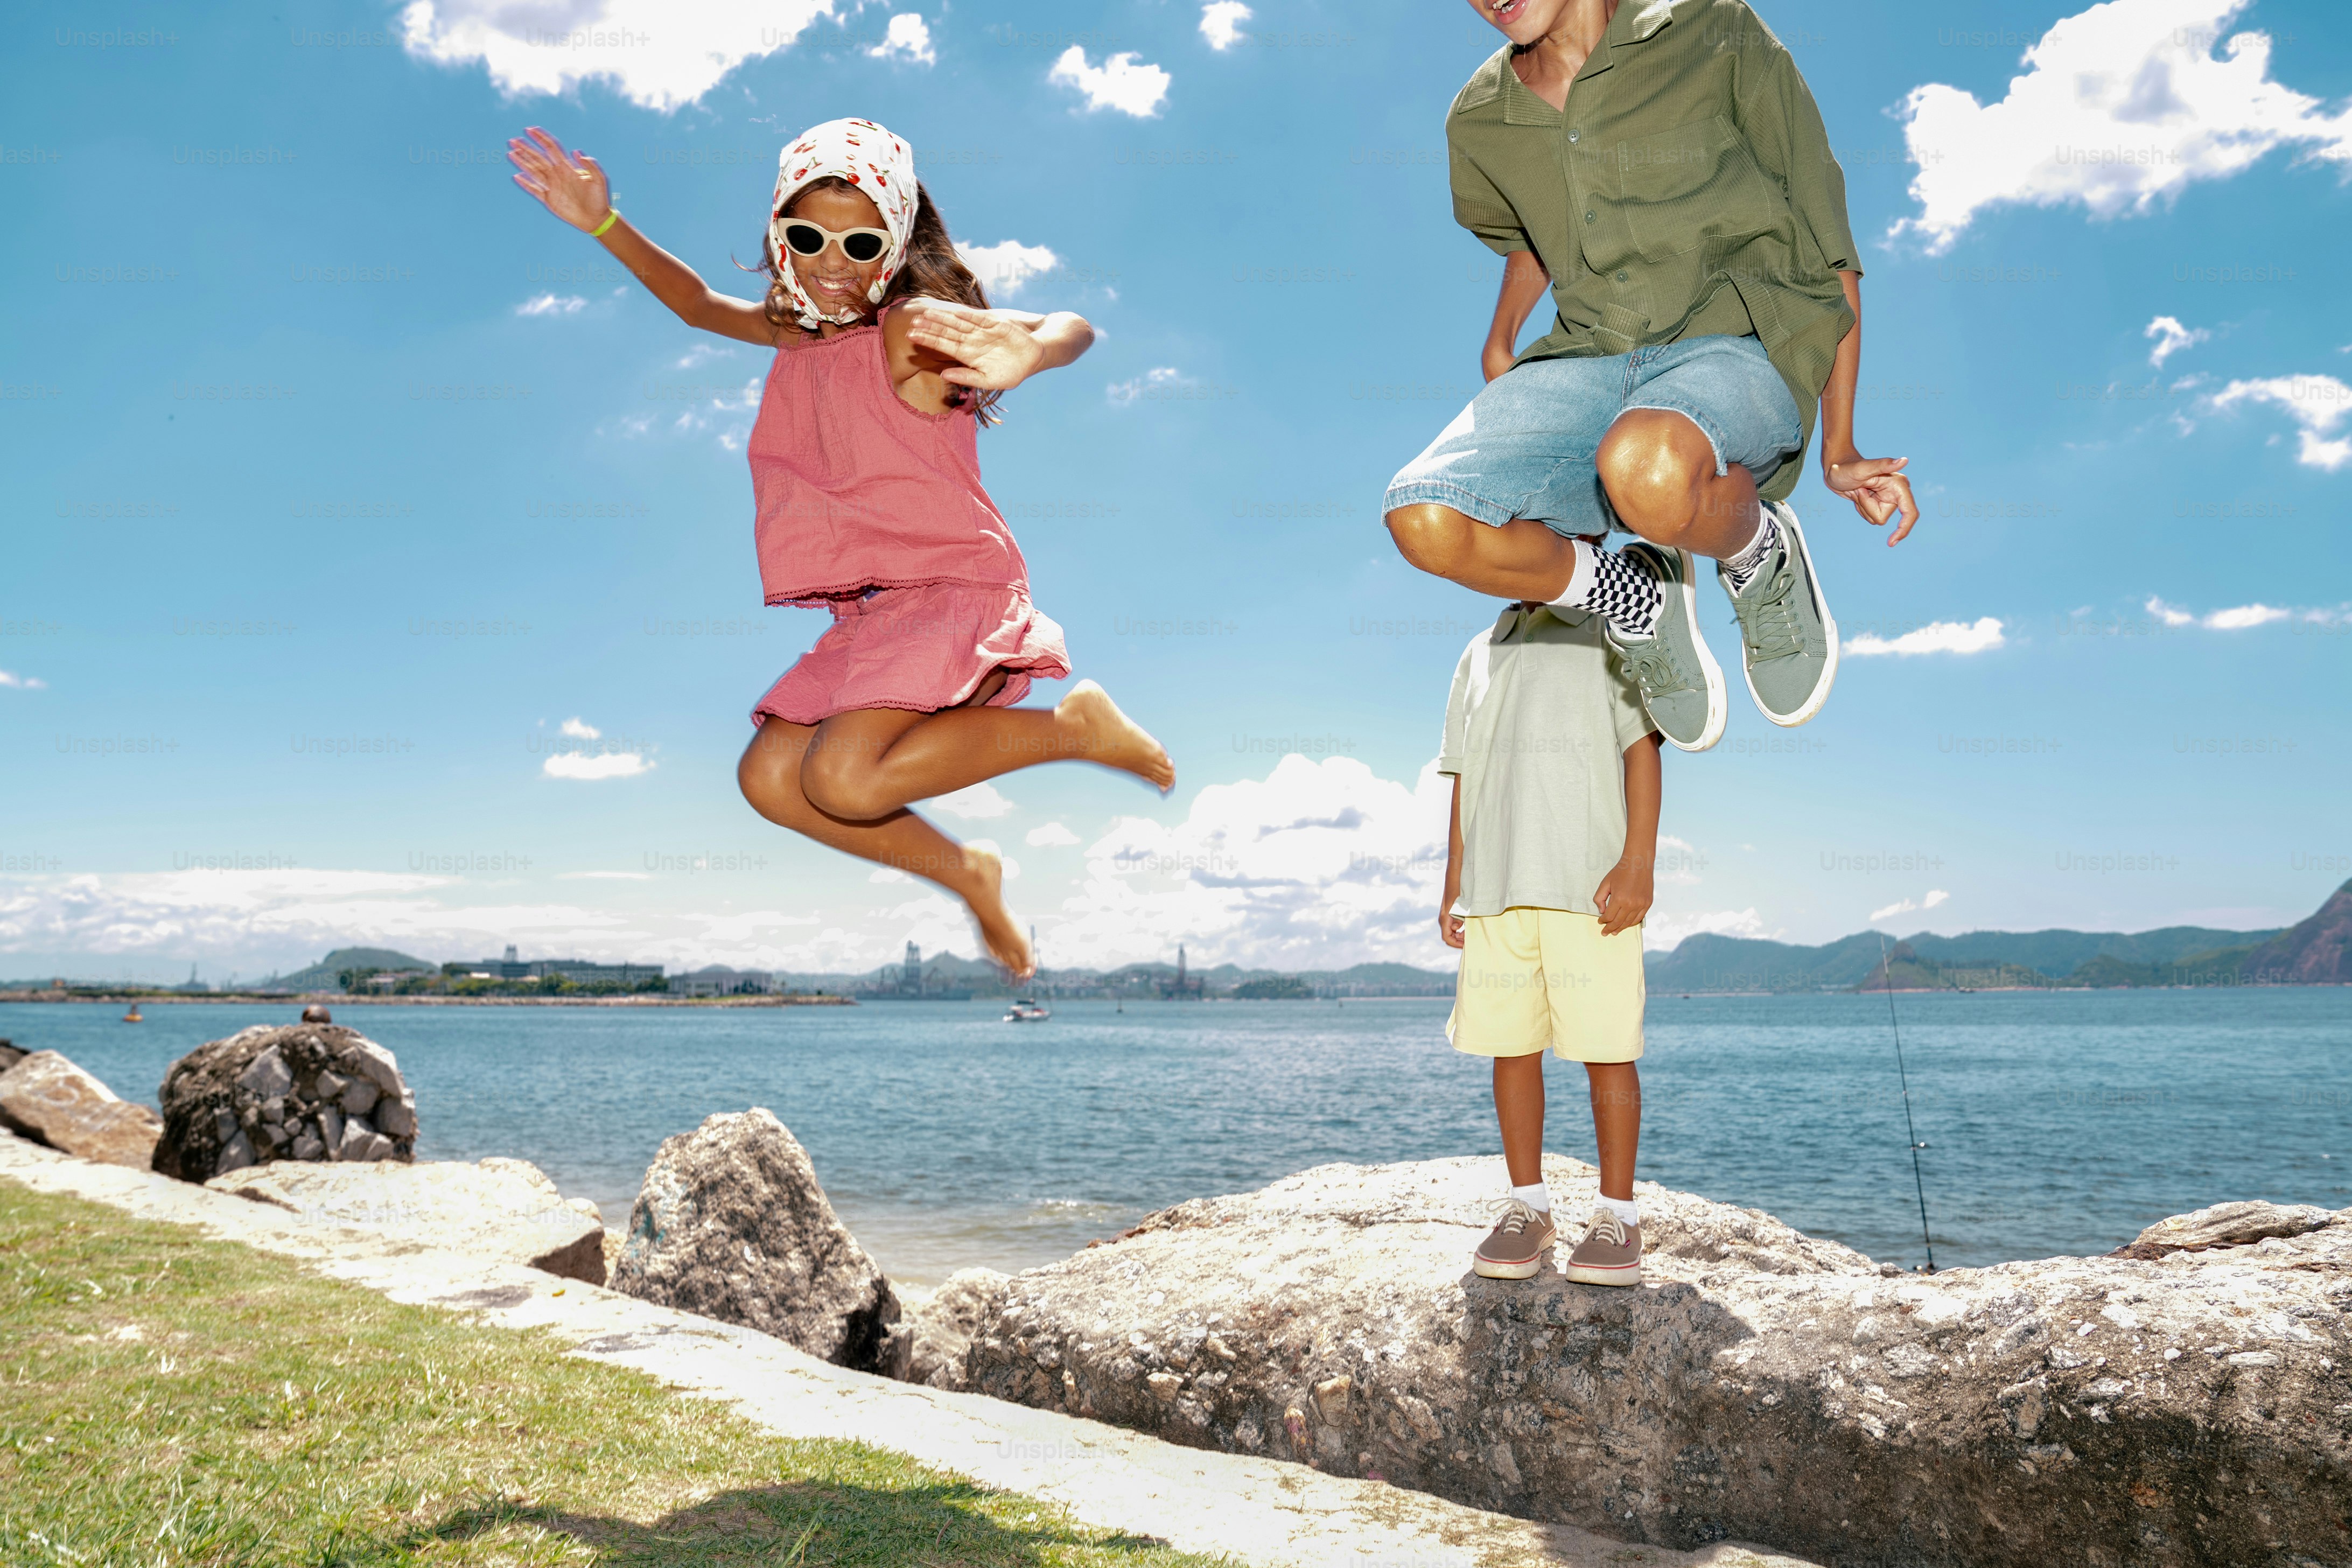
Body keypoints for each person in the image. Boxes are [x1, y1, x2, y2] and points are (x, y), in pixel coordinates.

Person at [507, 119, 1172, 979]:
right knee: (771, 782)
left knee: (847, 782)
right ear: (781, 236)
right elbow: (699, 305)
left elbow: (1072, 324)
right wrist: (602, 222)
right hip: (873, 610)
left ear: (893, 246)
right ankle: (965, 873)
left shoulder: (912, 328)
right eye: (806, 235)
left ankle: (1075, 731)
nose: (830, 260)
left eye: (859, 242)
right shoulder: (798, 336)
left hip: (949, 583)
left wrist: (1030, 352)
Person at [1384, 0, 1921, 752]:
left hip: (1734, 343)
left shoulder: (1714, 26)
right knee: (1426, 520)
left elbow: (1825, 233)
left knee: (1649, 469)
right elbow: (1539, 235)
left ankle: (1756, 551)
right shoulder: (1479, 119)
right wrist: (1499, 338)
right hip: (1587, 359)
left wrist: (1840, 447)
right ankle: (1631, 595)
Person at [1437, 584, 1661, 1283]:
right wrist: (1455, 880)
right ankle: (1528, 1206)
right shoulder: (1480, 652)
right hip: (1498, 888)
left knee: (1607, 1052)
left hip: (1590, 888)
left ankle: (1618, 1212)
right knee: (1511, 1048)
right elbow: (1462, 774)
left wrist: (1638, 864)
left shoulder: (1607, 630)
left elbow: (1642, 746)